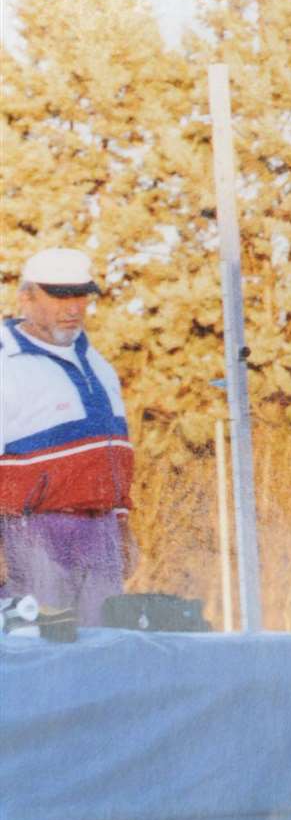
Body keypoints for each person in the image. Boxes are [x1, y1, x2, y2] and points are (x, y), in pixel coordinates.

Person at [0, 247, 138, 626]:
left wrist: (123, 525)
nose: (73, 307)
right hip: (30, 533)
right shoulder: (5, 363)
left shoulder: (99, 364)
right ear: (25, 297)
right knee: (41, 643)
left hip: (101, 532)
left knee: (103, 647)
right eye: (59, 296)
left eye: (81, 295)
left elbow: (115, 454)